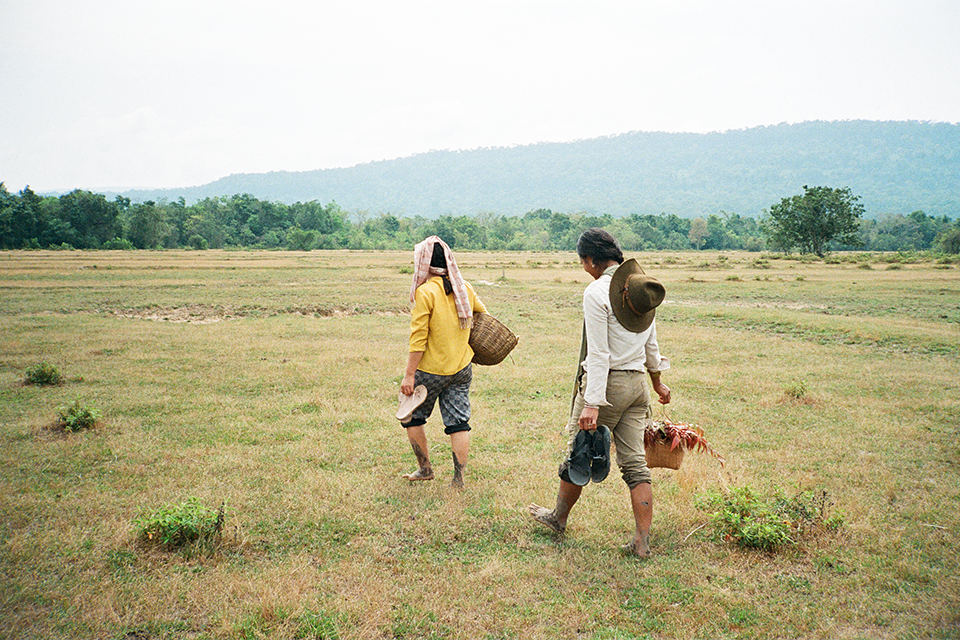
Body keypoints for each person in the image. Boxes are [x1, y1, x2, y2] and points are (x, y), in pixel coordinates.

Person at [528, 228, 671, 557]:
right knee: (636, 465)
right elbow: (651, 343)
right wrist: (657, 382)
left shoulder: (596, 293)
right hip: (637, 387)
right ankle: (642, 542)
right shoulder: (637, 288)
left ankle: (558, 518)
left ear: (591, 260)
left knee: (579, 451)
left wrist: (592, 403)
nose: (583, 266)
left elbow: (599, 354)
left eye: (582, 261)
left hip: (608, 386)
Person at [400, 236, 487, 488]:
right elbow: (483, 314)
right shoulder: (465, 287)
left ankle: (425, 469)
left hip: (430, 370)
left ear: (425, 263)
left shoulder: (425, 292)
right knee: (459, 423)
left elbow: (418, 339)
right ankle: (458, 479)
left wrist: (408, 375)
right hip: (461, 368)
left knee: (411, 417)